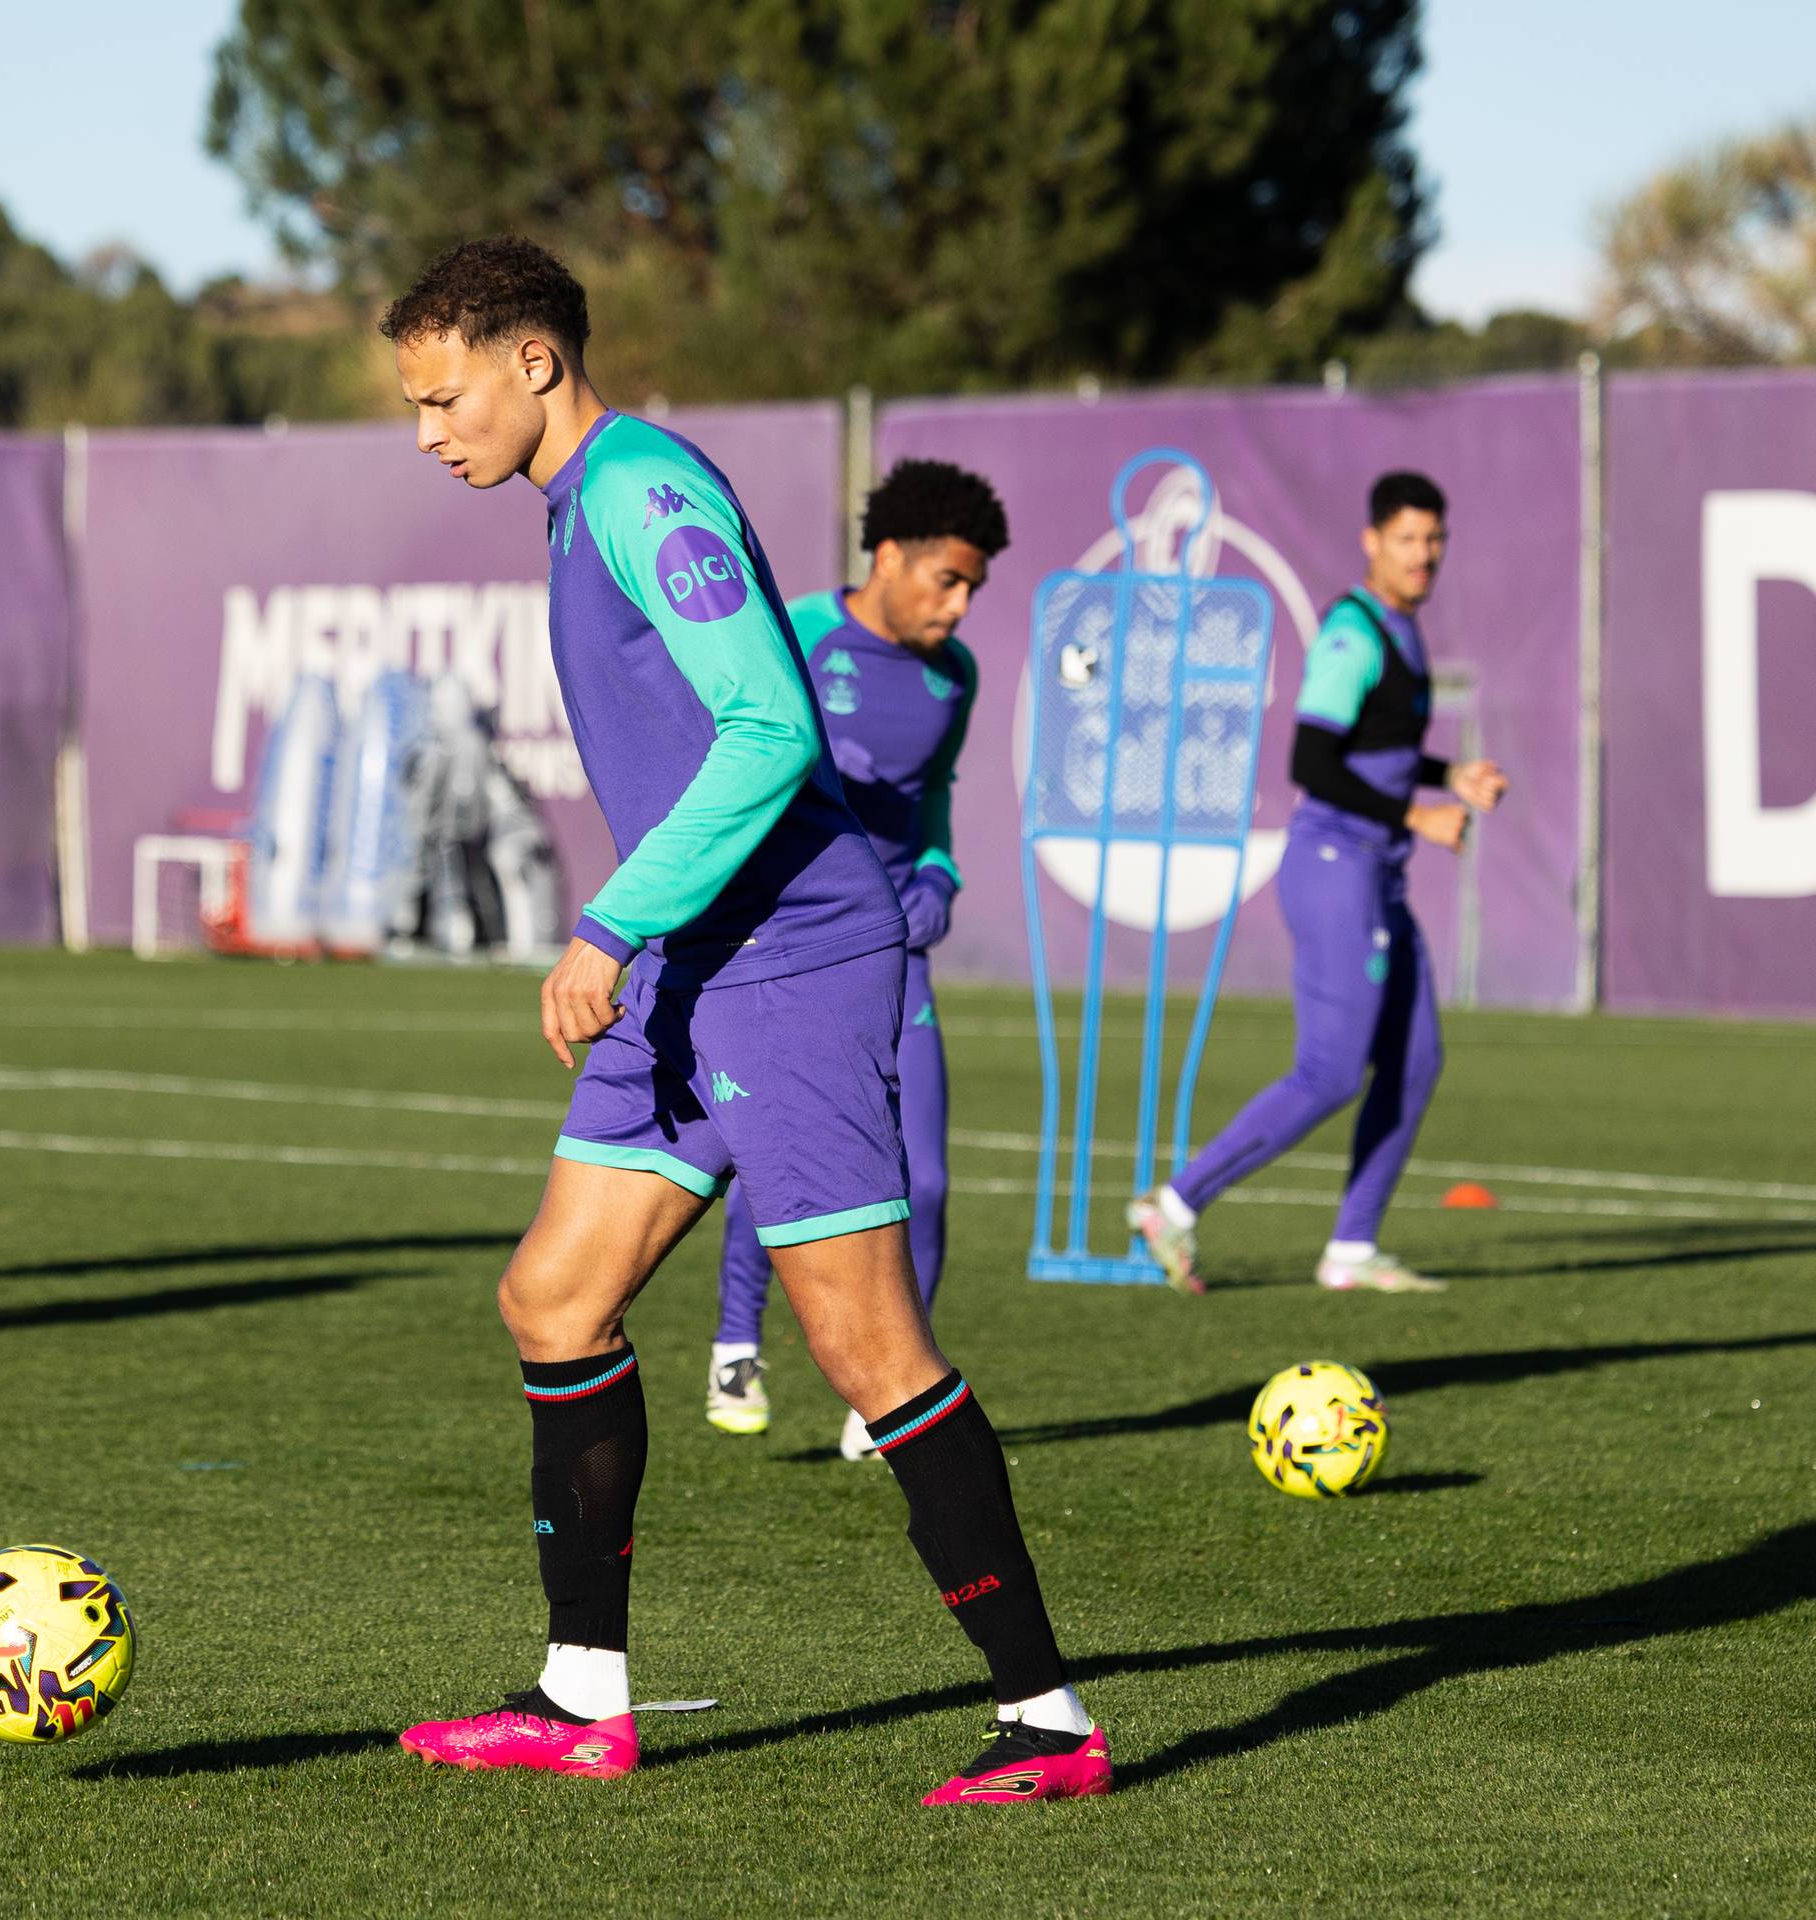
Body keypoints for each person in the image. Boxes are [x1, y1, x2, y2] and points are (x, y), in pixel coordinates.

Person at [380, 238, 1108, 1803]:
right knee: (552, 1301)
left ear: (532, 362)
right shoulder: (577, 504)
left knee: (860, 1345)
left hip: (779, 960)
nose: (427, 431)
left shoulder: (641, 491)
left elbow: (773, 727)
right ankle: (582, 1699)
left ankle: (1047, 1719)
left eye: (441, 396)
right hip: (690, 963)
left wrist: (608, 923)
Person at [1130, 470, 1508, 1294]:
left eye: (1433, 540)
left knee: (1413, 1062)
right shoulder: (1353, 632)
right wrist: (1417, 812)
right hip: (1336, 867)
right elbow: (1311, 761)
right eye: (1407, 539)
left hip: (1377, 874)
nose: (1423, 555)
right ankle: (1175, 1204)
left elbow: (1378, 743)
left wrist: (1450, 775)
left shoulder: (1402, 628)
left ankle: (1351, 1249)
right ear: (1372, 541)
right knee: (1331, 1070)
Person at [707, 461, 1004, 1460]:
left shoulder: (950, 676)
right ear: (886, 557)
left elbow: (933, 803)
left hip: (891, 949)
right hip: (785, 934)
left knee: (920, 1182)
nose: (957, 607)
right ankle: (736, 1341)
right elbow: (724, 764)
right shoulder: (792, 634)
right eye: (945, 582)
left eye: (971, 589)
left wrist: (939, 872)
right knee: (779, 1155)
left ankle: (885, 1394)